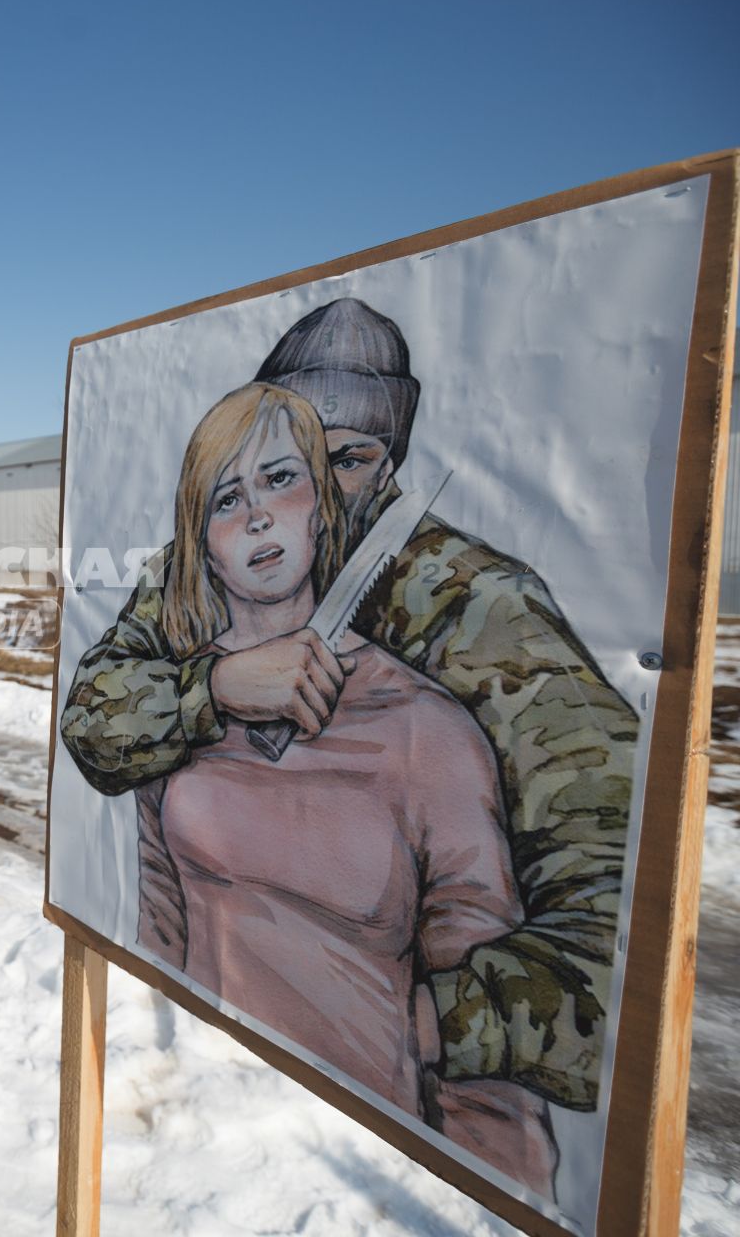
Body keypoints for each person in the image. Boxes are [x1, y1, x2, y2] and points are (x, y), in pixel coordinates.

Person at [59, 297, 635, 1115]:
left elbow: (617, 919)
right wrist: (213, 688)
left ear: (392, 465)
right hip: (230, 1039)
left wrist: (419, 1028)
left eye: (350, 460)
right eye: (296, 461)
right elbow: (94, 720)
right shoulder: (215, 564)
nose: (320, 495)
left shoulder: (476, 604)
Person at [133, 382, 555, 1192]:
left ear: (322, 506)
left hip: (359, 1165)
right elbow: (158, 923)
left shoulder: (425, 728)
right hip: (208, 1127)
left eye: (281, 480)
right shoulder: (181, 708)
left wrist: (500, 1192)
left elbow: (479, 1017)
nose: (258, 514)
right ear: (203, 540)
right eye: (229, 497)